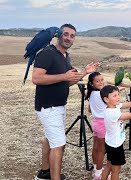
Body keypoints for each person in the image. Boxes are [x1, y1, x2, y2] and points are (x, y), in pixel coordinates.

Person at [32, 23, 100, 180]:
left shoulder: (65, 56)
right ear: (59, 35)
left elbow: (68, 81)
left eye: (72, 36)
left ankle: (44, 173)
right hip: (48, 107)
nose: (68, 38)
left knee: (49, 138)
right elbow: (36, 78)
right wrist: (64, 76)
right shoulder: (47, 53)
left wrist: (84, 72)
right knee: (59, 144)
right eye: (66, 34)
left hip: (58, 105)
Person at [85, 72, 107, 179]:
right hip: (103, 124)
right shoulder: (102, 94)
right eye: (97, 81)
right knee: (101, 150)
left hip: (95, 123)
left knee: (95, 147)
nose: (101, 82)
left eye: (102, 80)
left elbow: (89, 109)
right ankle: (98, 174)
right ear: (92, 84)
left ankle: (95, 168)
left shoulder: (92, 93)